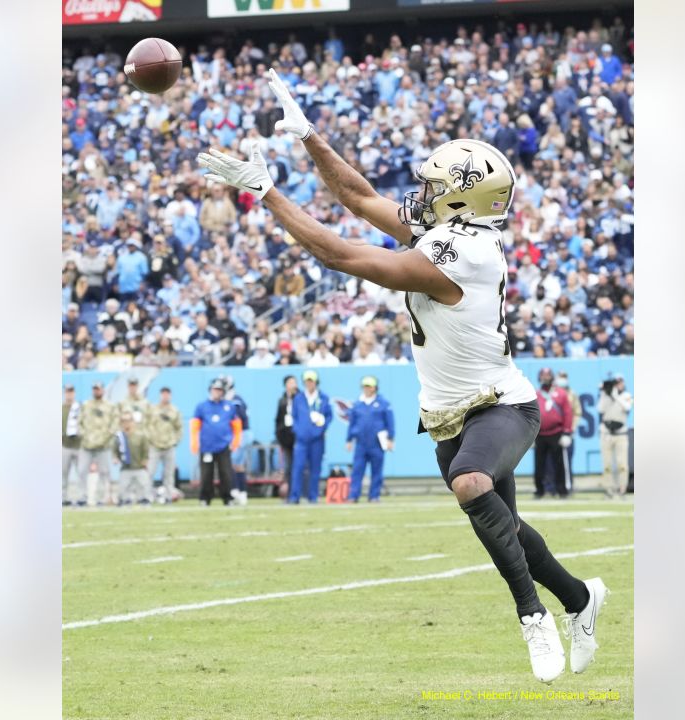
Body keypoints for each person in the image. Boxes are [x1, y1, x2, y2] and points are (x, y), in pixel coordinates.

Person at [199, 72, 607, 682]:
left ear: (464, 200)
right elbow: (359, 198)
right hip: (448, 411)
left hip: (500, 405)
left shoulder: (463, 252)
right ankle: (580, 600)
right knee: (510, 531)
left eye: (435, 187)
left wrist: (268, 194)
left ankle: (533, 619)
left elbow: (345, 255)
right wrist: (310, 135)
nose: (422, 194)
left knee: (470, 483)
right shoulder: (454, 231)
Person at [191, 378, 242, 506]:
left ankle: (227, 498)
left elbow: (236, 426)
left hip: (224, 445)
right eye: (215, 390)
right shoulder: (202, 406)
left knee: (226, 473)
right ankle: (205, 498)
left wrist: (235, 442)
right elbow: (195, 426)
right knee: (206, 474)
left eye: (219, 390)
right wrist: (194, 442)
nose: (216, 393)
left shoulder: (229, 407)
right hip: (207, 446)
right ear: (210, 390)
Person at [345, 375, 395, 503]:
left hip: (377, 443)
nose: (367, 389)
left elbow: (390, 423)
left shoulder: (383, 403)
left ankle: (374, 496)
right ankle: (353, 495)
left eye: (369, 386)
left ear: (374, 388)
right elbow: (352, 423)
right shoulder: (357, 404)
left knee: (376, 471)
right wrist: (349, 439)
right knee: (357, 470)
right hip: (361, 443)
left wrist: (390, 439)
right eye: (365, 386)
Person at [288, 369, 332, 504]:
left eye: (311, 381)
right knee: (298, 467)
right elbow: (293, 417)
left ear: (316, 382)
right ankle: (294, 496)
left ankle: (313, 496)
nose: (309, 384)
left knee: (315, 468)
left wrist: (321, 428)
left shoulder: (323, 398)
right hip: (301, 439)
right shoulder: (298, 398)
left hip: (317, 439)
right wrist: (298, 430)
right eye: (307, 381)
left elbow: (329, 416)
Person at [534, 368, 573, 499]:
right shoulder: (536, 394)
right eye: (543, 375)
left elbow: (568, 413)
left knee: (559, 464)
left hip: (556, 433)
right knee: (539, 464)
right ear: (540, 378)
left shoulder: (561, 393)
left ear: (552, 377)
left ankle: (561, 490)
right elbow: (531, 414)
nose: (545, 378)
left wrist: (567, 432)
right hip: (540, 434)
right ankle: (539, 490)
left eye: (548, 375)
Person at [78, 381, 119, 507]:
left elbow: (114, 423)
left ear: (103, 390)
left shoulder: (110, 406)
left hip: (103, 445)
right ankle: (83, 497)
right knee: (82, 471)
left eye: (99, 389)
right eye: (95, 389)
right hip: (87, 445)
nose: (97, 391)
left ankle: (104, 497)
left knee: (105, 472)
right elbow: (79, 422)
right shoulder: (86, 405)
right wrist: (84, 436)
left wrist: (106, 437)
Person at [597, 373, 633, 499]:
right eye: (616, 383)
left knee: (622, 464)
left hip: (621, 434)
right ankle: (609, 489)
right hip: (606, 433)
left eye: (620, 382)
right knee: (607, 464)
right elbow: (600, 409)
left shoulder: (626, 396)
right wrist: (604, 393)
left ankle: (622, 489)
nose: (618, 385)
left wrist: (615, 395)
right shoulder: (606, 396)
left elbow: (627, 407)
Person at [219, 375, 252, 505]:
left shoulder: (235, 400)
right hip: (240, 433)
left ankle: (235, 490)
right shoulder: (232, 399)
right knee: (238, 465)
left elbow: (238, 420)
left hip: (241, 433)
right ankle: (241, 492)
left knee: (231, 463)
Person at [146, 387, 183, 498]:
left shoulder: (174, 410)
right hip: (155, 446)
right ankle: (147, 496)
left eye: (167, 394)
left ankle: (168, 496)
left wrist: (175, 441)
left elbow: (179, 428)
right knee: (150, 471)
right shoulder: (153, 409)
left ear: (170, 396)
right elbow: (147, 426)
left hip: (169, 446)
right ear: (160, 395)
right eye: (163, 394)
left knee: (169, 473)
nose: (165, 396)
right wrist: (151, 440)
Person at [113, 411, 152, 505]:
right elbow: (114, 450)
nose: (126, 423)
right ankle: (126, 500)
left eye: (128, 420)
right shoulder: (119, 436)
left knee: (144, 486)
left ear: (133, 421)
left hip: (139, 467)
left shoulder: (140, 435)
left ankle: (143, 499)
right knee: (123, 492)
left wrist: (145, 460)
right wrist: (115, 458)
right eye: (124, 421)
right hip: (126, 468)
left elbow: (145, 449)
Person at [274, 375, 298, 494]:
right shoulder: (282, 400)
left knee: (301, 466)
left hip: (299, 437)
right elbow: (278, 420)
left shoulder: (300, 399)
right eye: (290, 382)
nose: (293, 385)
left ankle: (301, 492)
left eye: (294, 382)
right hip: (287, 438)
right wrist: (279, 436)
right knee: (288, 466)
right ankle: (291, 493)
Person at [62, 384, 82, 505]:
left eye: (71, 392)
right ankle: (63, 497)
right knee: (63, 473)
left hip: (79, 446)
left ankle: (80, 498)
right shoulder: (61, 409)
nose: (69, 394)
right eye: (67, 392)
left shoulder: (79, 408)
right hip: (65, 445)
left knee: (81, 473)